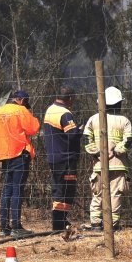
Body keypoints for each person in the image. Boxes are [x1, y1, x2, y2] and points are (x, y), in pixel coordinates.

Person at [0, 90, 40, 238]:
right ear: (22, 100)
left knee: (7, 190)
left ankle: (4, 227)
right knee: (18, 190)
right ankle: (16, 226)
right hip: (19, 153)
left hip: (4, 155)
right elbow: (34, 129)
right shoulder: (21, 110)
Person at [83, 86, 132, 232]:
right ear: (119, 103)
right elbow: (128, 141)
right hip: (118, 165)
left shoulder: (93, 119)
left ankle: (96, 224)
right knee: (115, 194)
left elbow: (87, 139)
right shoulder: (124, 121)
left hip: (99, 164)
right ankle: (113, 225)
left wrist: (97, 153)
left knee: (97, 194)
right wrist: (116, 152)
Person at [42, 86, 83, 231]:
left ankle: (60, 221)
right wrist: (81, 129)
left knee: (58, 188)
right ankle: (59, 223)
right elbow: (72, 135)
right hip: (66, 158)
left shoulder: (50, 109)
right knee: (67, 190)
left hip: (54, 156)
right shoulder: (65, 114)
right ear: (70, 98)